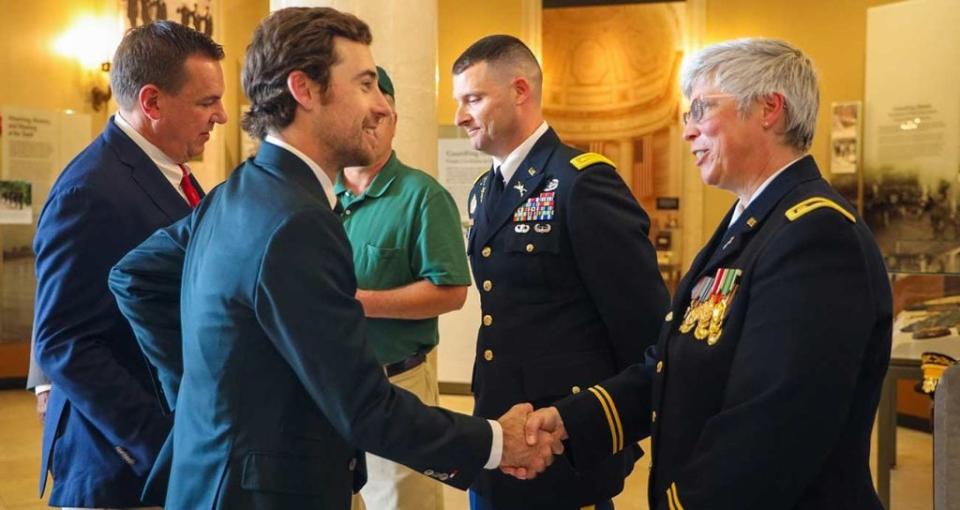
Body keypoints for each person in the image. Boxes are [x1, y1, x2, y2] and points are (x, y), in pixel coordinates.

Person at [107, 8, 558, 509]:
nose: (380, 106)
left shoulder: (239, 190)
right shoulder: (296, 221)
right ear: (305, 90)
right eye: (365, 84)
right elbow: (365, 407)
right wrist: (498, 442)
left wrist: (201, 399)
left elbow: (135, 278)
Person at [523, 38, 893, 509]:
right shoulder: (753, 221)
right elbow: (675, 362)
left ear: (768, 109)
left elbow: (772, 423)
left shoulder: (815, 234)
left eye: (701, 109)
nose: (688, 132)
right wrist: (573, 419)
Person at [453, 35, 670, 510]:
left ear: (520, 91)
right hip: (498, 428)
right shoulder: (483, 192)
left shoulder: (581, 181)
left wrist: (605, 426)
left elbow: (645, 329)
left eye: (473, 98)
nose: (460, 116)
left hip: (561, 440)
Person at [31, 20, 225, 509]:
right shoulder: (89, 191)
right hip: (119, 468)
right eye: (206, 102)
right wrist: (161, 444)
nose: (221, 115)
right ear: (152, 102)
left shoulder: (173, 172)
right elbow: (63, 341)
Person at [340, 67, 469, 510]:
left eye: (381, 116)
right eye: (361, 116)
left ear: (394, 118)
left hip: (397, 385)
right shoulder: (319, 196)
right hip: (330, 390)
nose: (371, 126)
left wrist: (359, 304)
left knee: (401, 503)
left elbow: (451, 291)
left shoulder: (423, 196)